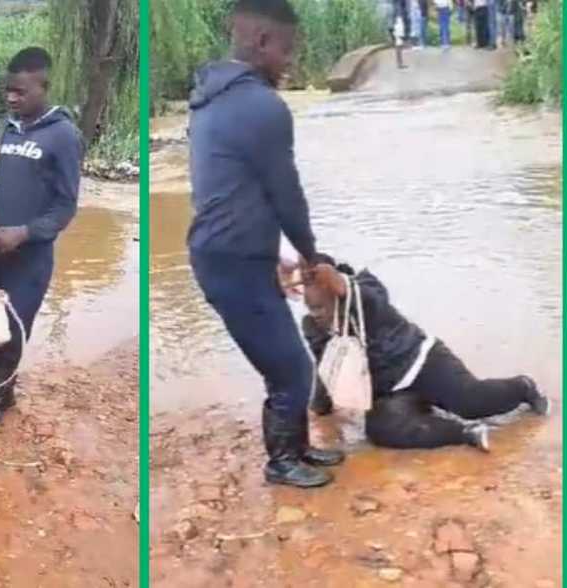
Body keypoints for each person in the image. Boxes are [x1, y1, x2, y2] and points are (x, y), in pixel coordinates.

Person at [186, 0, 345, 489]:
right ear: (260, 42)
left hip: (229, 253)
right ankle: (281, 462)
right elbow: (285, 193)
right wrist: (309, 253)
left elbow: (232, 191)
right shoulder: (263, 107)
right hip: (233, 261)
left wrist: (272, 254)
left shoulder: (211, 98)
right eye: (286, 50)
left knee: (285, 357)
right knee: (291, 367)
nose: (290, 61)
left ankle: (296, 448)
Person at [0, 47, 84, 429]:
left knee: (9, 328)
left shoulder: (63, 136)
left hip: (30, 257)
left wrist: (23, 233)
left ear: (43, 86)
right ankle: (3, 396)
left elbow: (66, 207)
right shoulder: (8, 129)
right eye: (8, 90)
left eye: (20, 92)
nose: (11, 98)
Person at [301, 256, 549, 451]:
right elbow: (327, 366)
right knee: (380, 431)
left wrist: (343, 284)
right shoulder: (313, 327)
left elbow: (371, 299)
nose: (316, 314)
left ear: (335, 289)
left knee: (471, 402)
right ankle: (465, 433)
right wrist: (318, 408)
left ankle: (522, 387)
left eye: (321, 306)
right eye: (311, 308)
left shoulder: (365, 290)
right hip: (391, 390)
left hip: (423, 362)